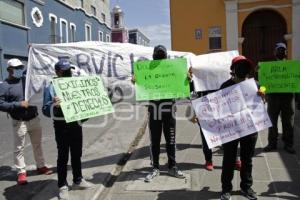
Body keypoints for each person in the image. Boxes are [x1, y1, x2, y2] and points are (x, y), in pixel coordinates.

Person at [42, 58, 93, 200]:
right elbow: (45, 110)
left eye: (69, 71)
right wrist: (53, 105)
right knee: (63, 156)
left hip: (76, 123)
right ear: (57, 72)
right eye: (64, 72)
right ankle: (62, 185)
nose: (67, 74)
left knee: (77, 153)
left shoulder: (76, 84)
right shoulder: (50, 87)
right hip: (61, 125)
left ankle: (78, 179)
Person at [133, 45, 185, 182]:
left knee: (171, 140)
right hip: (155, 111)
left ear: (167, 57)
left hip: (169, 111)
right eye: (158, 56)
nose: (160, 59)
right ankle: (155, 168)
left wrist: (188, 79)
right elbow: (141, 89)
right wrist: (136, 82)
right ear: (153, 57)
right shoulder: (147, 71)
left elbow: (185, 88)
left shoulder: (173, 70)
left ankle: (172, 167)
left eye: (162, 56)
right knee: (154, 141)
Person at [0, 58, 53, 185]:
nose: (19, 70)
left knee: (37, 144)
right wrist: (18, 104)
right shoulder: (4, 85)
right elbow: (1, 104)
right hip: (19, 121)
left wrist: (33, 53)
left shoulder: (27, 81)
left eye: (20, 68)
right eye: (16, 68)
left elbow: (38, 73)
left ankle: (41, 166)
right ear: (9, 70)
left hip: (34, 118)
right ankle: (21, 173)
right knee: (19, 148)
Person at [220, 56, 261, 200]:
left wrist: (263, 94)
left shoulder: (255, 84)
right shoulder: (225, 86)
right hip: (230, 129)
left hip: (249, 129)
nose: (242, 68)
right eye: (239, 66)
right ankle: (226, 188)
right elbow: (217, 107)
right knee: (229, 159)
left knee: (247, 159)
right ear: (233, 69)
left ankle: (246, 187)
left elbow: (262, 98)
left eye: (245, 66)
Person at [263, 43, 296, 154]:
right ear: (274, 52)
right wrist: (259, 72)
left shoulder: (293, 67)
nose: (281, 52)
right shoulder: (268, 67)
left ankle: (288, 144)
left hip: (288, 98)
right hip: (273, 98)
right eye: (279, 50)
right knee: (272, 121)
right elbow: (264, 82)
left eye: (283, 50)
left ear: (286, 52)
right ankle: (272, 143)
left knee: (288, 122)